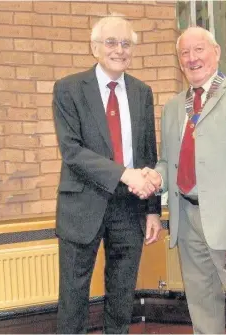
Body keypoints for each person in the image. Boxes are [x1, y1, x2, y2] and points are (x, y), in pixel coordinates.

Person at [135, 26, 226, 333]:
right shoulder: (173, 107)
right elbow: (168, 161)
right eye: (184, 52)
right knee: (201, 305)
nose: (191, 58)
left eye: (199, 49)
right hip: (187, 221)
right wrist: (156, 176)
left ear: (217, 52)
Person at [52, 16, 161, 334]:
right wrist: (125, 174)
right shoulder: (68, 89)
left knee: (122, 297)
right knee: (73, 298)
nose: (120, 50)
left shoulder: (143, 92)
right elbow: (72, 152)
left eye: (127, 43)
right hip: (81, 205)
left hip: (129, 208)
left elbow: (147, 154)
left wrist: (152, 209)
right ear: (95, 47)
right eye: (112, 42)